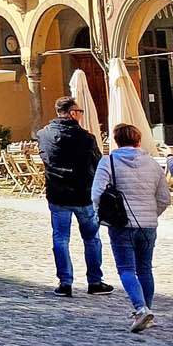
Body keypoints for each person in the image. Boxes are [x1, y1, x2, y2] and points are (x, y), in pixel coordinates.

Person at [91, 122, 173, 331]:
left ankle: (140, 309)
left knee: (126, 268)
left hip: (121, 223)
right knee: (145, 268)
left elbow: (97, 193)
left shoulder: (108, 162)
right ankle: (147, 311)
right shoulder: (153, 164)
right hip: (147, 224)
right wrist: (152, 214)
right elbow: (164, 197)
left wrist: (105, 214)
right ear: (139, 140)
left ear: (116, 140)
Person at [36, 95, 110, 298]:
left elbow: (45, 158)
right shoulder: (86, 138)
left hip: (58, 194)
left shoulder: (43, 135)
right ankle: (94, 281)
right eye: (80, 112)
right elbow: (97, 164)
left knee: (60, 238)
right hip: (83, 194)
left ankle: (65, 282)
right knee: (92, 239)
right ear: (72, 113)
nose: (81, 115)